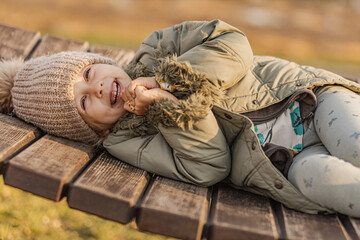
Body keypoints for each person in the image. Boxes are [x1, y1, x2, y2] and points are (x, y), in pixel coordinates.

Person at [0, 20, 359, 217]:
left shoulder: (156, 49)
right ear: (88, 128)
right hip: (286, 162)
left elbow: (233, 45)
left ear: (101, 62)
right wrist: (164, 107)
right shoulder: (128, 142)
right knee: (319, 179)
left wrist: (166, 79)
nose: (95, 88)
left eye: (89, 73)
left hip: (308, 99)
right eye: (82, 102)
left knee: (353, 142)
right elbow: (209, 166)